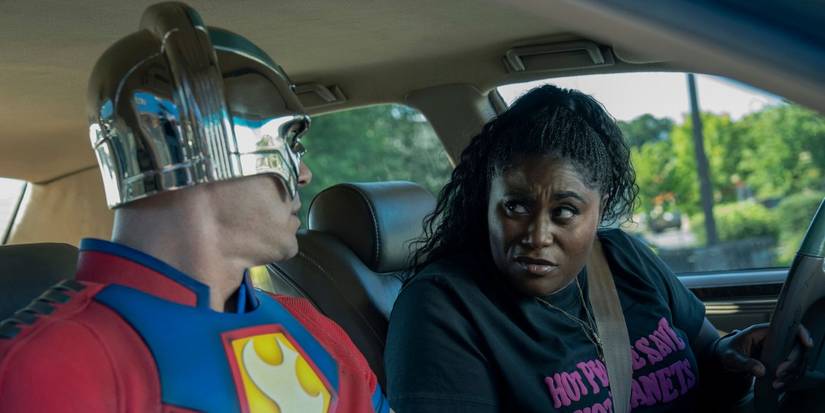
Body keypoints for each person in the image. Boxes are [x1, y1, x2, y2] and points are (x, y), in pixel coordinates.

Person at [0, 3, 389, 412]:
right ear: (209, 151)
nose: (305, 173)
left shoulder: (313, 327)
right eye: (287, 144)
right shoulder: (50, 364)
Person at [385, 84, 811, 412]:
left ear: (599, 207)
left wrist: (737, 355)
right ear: (487, 201)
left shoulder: (624, 259)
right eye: (516, 206)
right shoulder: (444, 307)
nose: (537, 234)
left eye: (565, 211)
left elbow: (708, 357)